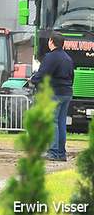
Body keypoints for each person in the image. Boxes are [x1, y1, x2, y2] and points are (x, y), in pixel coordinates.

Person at [30, 31, 74, 162]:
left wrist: (32, 79)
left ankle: (53, 152)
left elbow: (43, 73)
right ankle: (62, 153)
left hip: (55, 93)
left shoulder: (51, 57)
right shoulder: (68, 58)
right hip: (67, 93)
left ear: (51, 42)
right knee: (61, 123)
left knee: (52, 122)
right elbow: (72, 76)